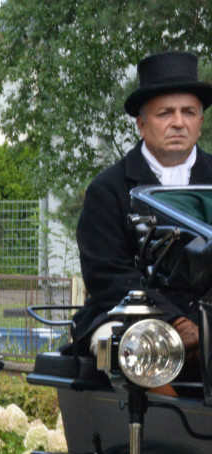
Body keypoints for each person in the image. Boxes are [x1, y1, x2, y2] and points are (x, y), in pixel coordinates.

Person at [73, 51, 212, 361]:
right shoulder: (107, 190)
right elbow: (107, 276)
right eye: (165, 113)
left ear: (200, 123)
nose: (178, 123)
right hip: (130, 313)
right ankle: (161, 410)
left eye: (188, 112)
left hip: (208, 313)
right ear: (141, 124)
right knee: (129, 346)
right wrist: (173, 320)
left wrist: (203, 323)